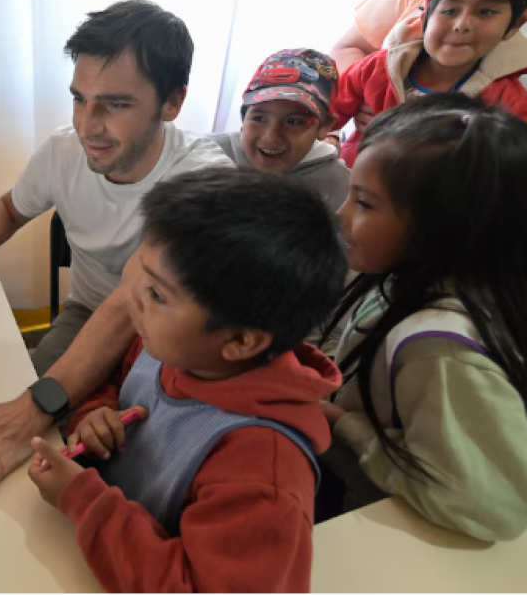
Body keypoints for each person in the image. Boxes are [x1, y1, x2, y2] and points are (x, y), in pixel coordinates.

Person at [26, 168, 347, 592]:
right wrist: (97, 413)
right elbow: (117, 384)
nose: (132, 296)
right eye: (141, 273)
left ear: (240, 340)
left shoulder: (261, 475)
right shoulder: (179, 348)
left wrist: (83, 501)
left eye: (157, 294)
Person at [0, 0, 230, 379]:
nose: (87, 126)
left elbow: (133, 297)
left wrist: (33, 408)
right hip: (87, 313)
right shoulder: (63, 151)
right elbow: (10, 209)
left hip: (171, 338)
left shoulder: (203, 181)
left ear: (172, 103)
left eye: (115, 105)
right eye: (79, 99)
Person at [318, 94, 527, 541]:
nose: (341, 214)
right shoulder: (401, 276)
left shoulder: (442, 349)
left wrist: (346, 428)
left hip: (377, 536)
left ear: (447, 226)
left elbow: (489, 507)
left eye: (365, 203)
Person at [331, 0, 527, 167]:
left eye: (486, 11)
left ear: (514, 26)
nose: (462, 24)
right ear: (423, 18)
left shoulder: (509, 102)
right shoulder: (376, 68)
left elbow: (507, 167)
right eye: (450, 10)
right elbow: (329, 109)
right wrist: (328, 137)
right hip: (357, 182)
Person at [208, 48, 350, 211]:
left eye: (293, 121)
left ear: (325, 125)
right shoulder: (205, 155)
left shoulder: (343, 190)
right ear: (243, 116)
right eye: (259, 118)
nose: (271, 137)